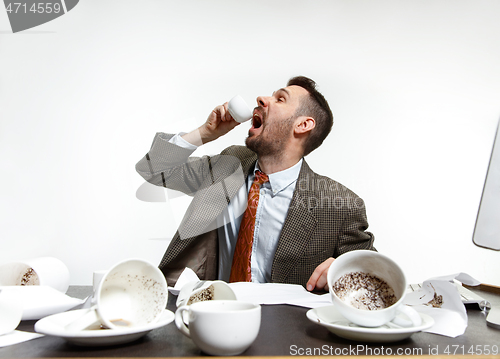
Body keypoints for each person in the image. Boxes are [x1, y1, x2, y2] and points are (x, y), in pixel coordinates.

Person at [136, 76, 375, 292]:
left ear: (303, 125)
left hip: (286, 330)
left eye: (280, 98)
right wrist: (205, 133)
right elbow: (154, 168)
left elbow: (373, 278)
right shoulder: (229, 165)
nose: (262, 99)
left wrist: (344, 268)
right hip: (215, 317)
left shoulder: (340, 205)